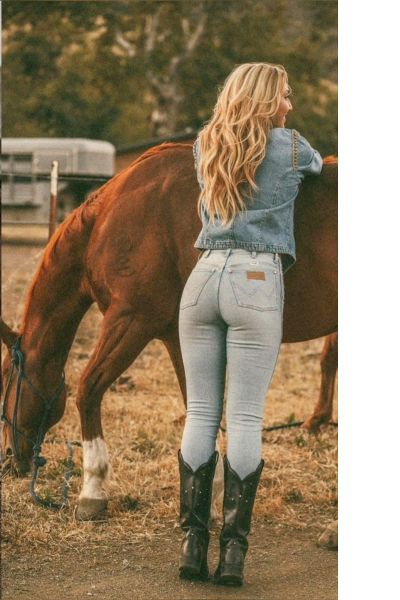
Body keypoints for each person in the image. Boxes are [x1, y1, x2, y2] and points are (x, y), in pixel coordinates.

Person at [177, 62, 322, 587]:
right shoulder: (290, 146)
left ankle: (192, 547)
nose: (290, 104)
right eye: (285, 94)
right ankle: (232, 557)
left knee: (199, 413)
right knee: (242, 419)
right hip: (256, 278)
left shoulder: (205, 143)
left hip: (203, 277)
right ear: (267, 99)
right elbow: (319, 169)